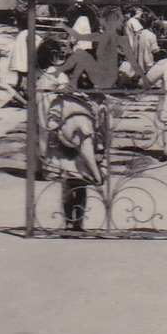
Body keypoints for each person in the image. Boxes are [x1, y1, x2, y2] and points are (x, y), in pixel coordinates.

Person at [35, 38, 104, 231]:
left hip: (56, 134)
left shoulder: (43, 77)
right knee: (80, 183)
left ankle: (69, 222)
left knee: (68, 182)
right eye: (60, 55)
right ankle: (77, 222)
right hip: (69, 135)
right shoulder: (59, 80)